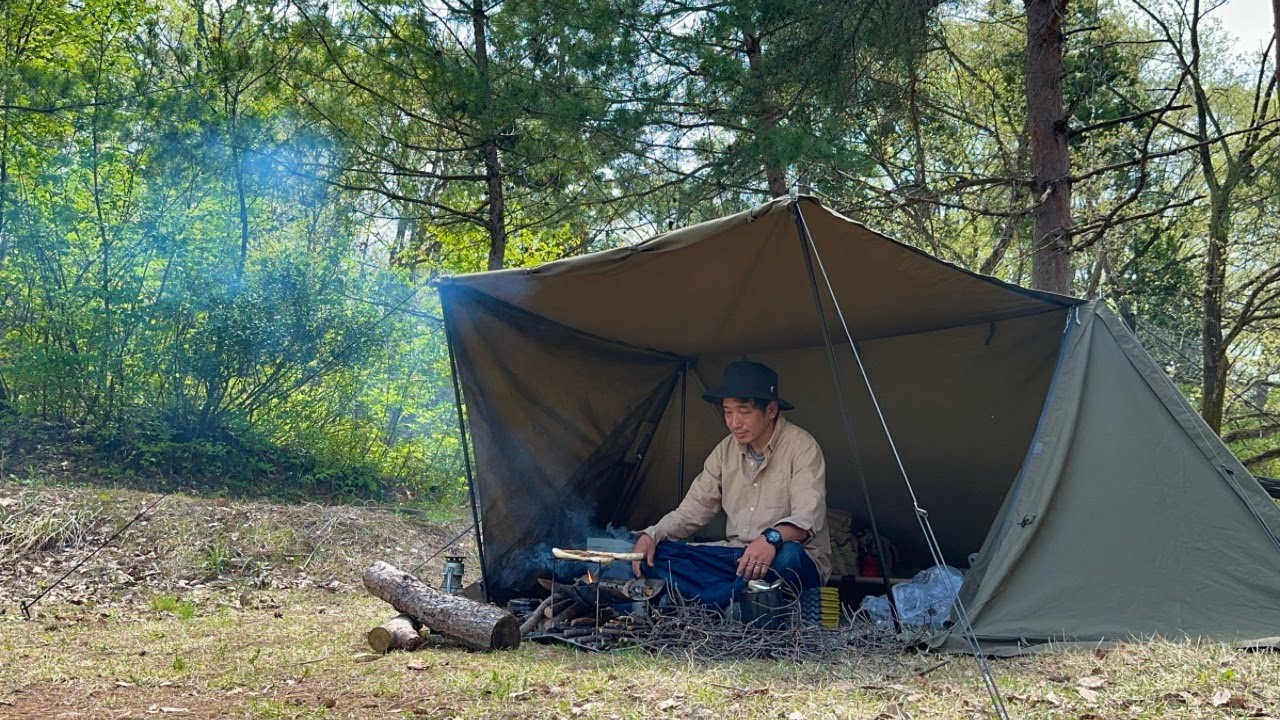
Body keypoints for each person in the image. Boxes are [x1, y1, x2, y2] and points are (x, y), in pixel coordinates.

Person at [631, 360, 831, 609]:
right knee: (656, 553)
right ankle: (731, 601)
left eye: (743, 411)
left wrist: (770, 539)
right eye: (728, 411)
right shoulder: (724, 451)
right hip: (737, 558)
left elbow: (807, 518)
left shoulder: (802, 447)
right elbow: (693, 509)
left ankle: (704, 603)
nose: (734, 422)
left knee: (788, 556)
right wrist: (652, 534)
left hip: (784, 557)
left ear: (771, 410)